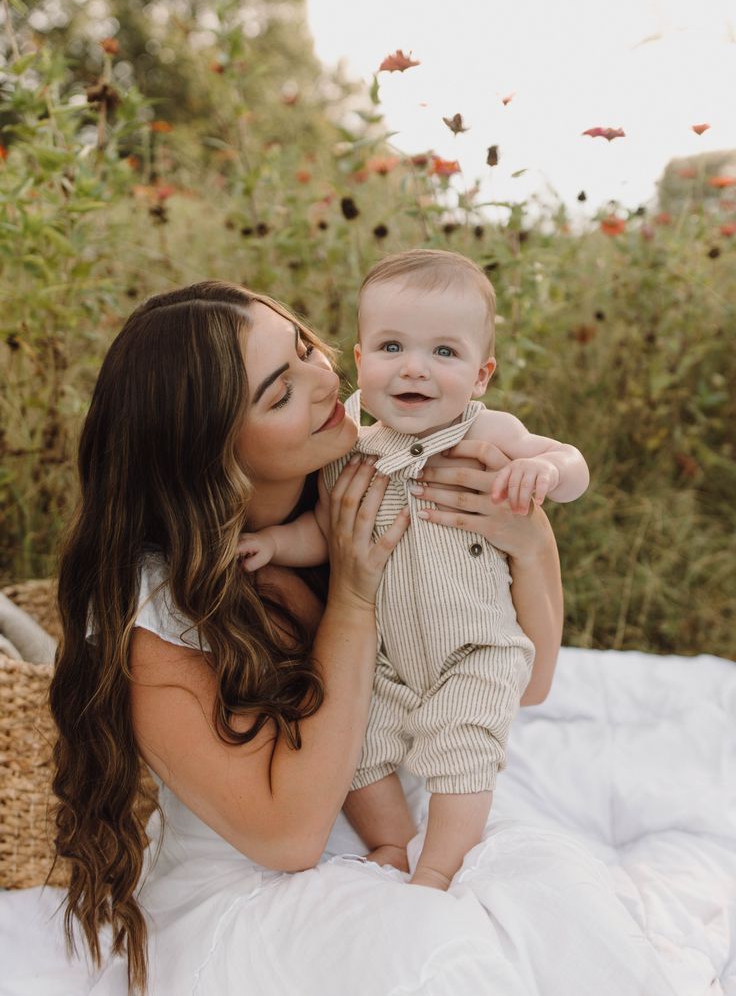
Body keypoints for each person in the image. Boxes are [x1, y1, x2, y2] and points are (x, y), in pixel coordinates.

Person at [48, 280, 571, 995]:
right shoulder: (157, 608)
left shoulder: (366, 471)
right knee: (438, 964)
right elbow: (288, 836)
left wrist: (528, 541)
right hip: (264, 893)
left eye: (305, 348)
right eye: (279, 393)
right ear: (210, 452)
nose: (328, 380)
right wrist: (351, 598)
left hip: (425, 840)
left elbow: (530, 680)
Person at [238, 249, 589, 891]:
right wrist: (277, 545)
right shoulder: (349, 455)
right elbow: (328, 531)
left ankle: (439, 869)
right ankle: (393, 845)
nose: (415, 368)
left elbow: (570, 463)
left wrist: (547, 471)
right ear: (362, 359)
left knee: (464, 750)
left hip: (475, 649)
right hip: (387, 659)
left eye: (445, 354)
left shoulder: (488, 429)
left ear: (481, 375)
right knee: (356, 746)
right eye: (393, 346)